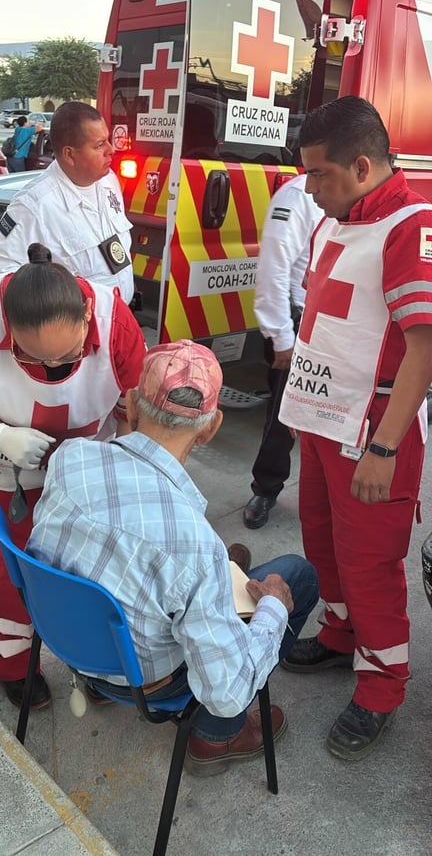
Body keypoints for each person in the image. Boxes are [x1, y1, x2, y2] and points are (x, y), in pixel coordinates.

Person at [27, 339, 319, 776]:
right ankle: (218, 735)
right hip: (151, 682)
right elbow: (227, 689)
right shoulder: (193, 543)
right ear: (211, 428)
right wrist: (274, 606)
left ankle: (101, 684)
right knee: (296, 575)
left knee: (206, 568)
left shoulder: (71, 459)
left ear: (131, 402)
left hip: (72, 644)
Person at [0, 243, 146, 709]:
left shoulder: (113, 318)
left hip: (88, 466)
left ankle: (94, 663)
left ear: (86, 315)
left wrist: (123, 460)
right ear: (9, 327)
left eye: (66, 358)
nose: (52, 370)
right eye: (34, 358)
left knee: (90, 568)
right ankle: (12, 661)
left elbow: (134, 400)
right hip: (4, 470)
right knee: (8, 569)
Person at [278, 96, 432, 760]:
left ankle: (381, 684)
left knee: (370, 562)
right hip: (320, 418)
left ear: (362, 165)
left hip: (372, 429)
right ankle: (342, 632)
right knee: (322, 538)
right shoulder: (334, 222)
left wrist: (384, 447)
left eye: (320, 176)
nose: (310, 190)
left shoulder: (410, 225)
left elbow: (424, 347)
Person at [0, 102, 134, 305]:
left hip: (120, 320)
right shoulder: (35, 205)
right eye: (99, 145)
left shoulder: (108, 180)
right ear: (69, 154)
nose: (111, 150)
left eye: (108, 141)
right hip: (79, 330)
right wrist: (53, 311)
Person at [243, 174, 322, 529]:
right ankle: (266, 488)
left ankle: (325, 494)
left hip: (332, 318)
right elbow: (273, 268)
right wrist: (282, 338)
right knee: (282, 416)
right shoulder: (297, 195)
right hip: (299, 319)